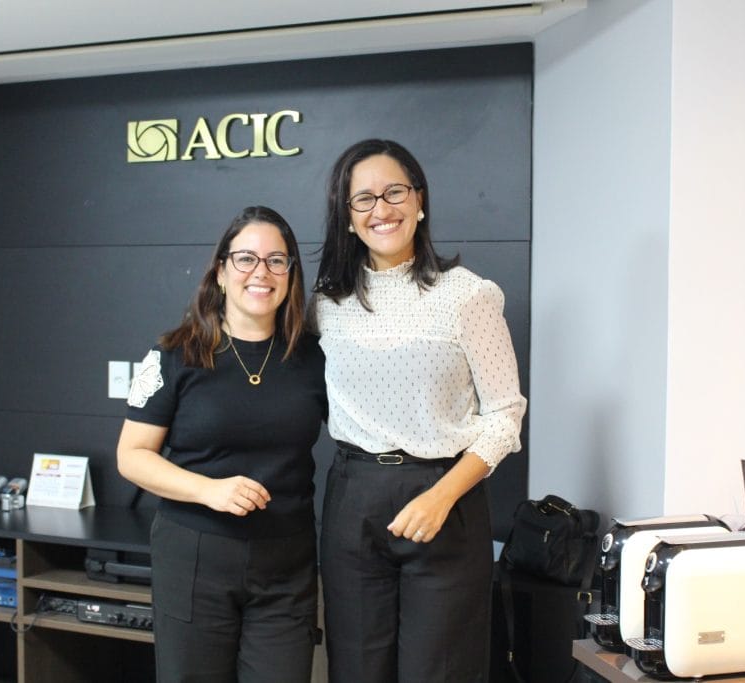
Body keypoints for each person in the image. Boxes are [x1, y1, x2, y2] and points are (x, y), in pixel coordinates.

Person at [311, 139, 528, 682]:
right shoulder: (326, 304)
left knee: (441, 672)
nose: (381, 209)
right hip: (352, 500)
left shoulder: (468, 295)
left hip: (444, 499)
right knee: (356, 670)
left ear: (419, 200)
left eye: (394, 192)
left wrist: (441, 496)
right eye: (364, 199)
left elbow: (506, 415)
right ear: (347, 216)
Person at [116, 205, 327, 683]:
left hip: (287, 563)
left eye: (276, 260)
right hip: (194, 557)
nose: (261, 272)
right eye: (246, 258)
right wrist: (208, 489)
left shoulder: (316, 358)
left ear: (291, 274)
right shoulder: (174, 354)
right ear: (221, 271)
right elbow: (131, 456)